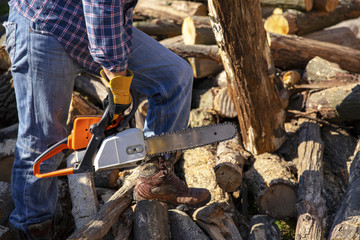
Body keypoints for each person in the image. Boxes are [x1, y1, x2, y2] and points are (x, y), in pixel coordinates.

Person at [3, 0, 210, 239]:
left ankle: (155, 176)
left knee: (174, 76)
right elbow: (102, 4)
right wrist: (117, 78)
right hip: (44, 24)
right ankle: (34, 226)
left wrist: (117, 74)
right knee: (42, 139)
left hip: (92, 22)